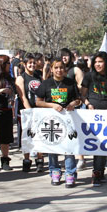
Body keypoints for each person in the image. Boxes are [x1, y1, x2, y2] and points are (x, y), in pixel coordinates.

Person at [36, 58, 82, 188]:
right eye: (56, 67)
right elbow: (38, 102)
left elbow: (79, 100)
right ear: (51, 69)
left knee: (69, 147)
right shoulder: (46, 83)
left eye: (61, 67)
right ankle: (54, 171)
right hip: (52, 120)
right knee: (53, 146)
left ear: (65, 69)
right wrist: (51, 105)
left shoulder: (70, 83)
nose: (59, 70)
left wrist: (74, 103)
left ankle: (70, 172)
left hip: (68, 119)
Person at [81, 51, 107, 187]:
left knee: (103, 144)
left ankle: (98, 172)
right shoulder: (89, 77)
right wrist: (88, 104)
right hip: (91, 115)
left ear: (106, 62)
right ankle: (97, 171)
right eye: (96, 62)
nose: (98, 64)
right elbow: (82, 95)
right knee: (93, 143)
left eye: (101, 62)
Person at [57, 48, 86, 170]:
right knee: (64, 133)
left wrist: (71, 88)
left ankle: (80, 159)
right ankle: (67, 159)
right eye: (62, 55)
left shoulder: (75, 70)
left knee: (75, 133)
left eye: (66, 56)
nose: (64, 58)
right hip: (59, 106)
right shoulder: (56, 69)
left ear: (71, 57)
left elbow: (82, 86)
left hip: (74, 106)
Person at [15, 53, 44, 172]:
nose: (32, 65)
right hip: (27, 112)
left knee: (39, 136)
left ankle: (40, 160)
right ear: (25, 64)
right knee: (27, 136)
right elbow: (22, 97)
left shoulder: (38, 75)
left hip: (39, 110)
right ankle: (27, 160)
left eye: (33, 62)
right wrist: (29, 111)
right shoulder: (21, 78)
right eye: (29, 63)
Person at [0, 55, 15, 170]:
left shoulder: (9, 78)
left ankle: (5, 160)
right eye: (8, 64)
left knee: (6, 137)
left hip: (7, 109)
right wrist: (1, 90)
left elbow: (13, 91)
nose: (9, 66)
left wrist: (11, 96)